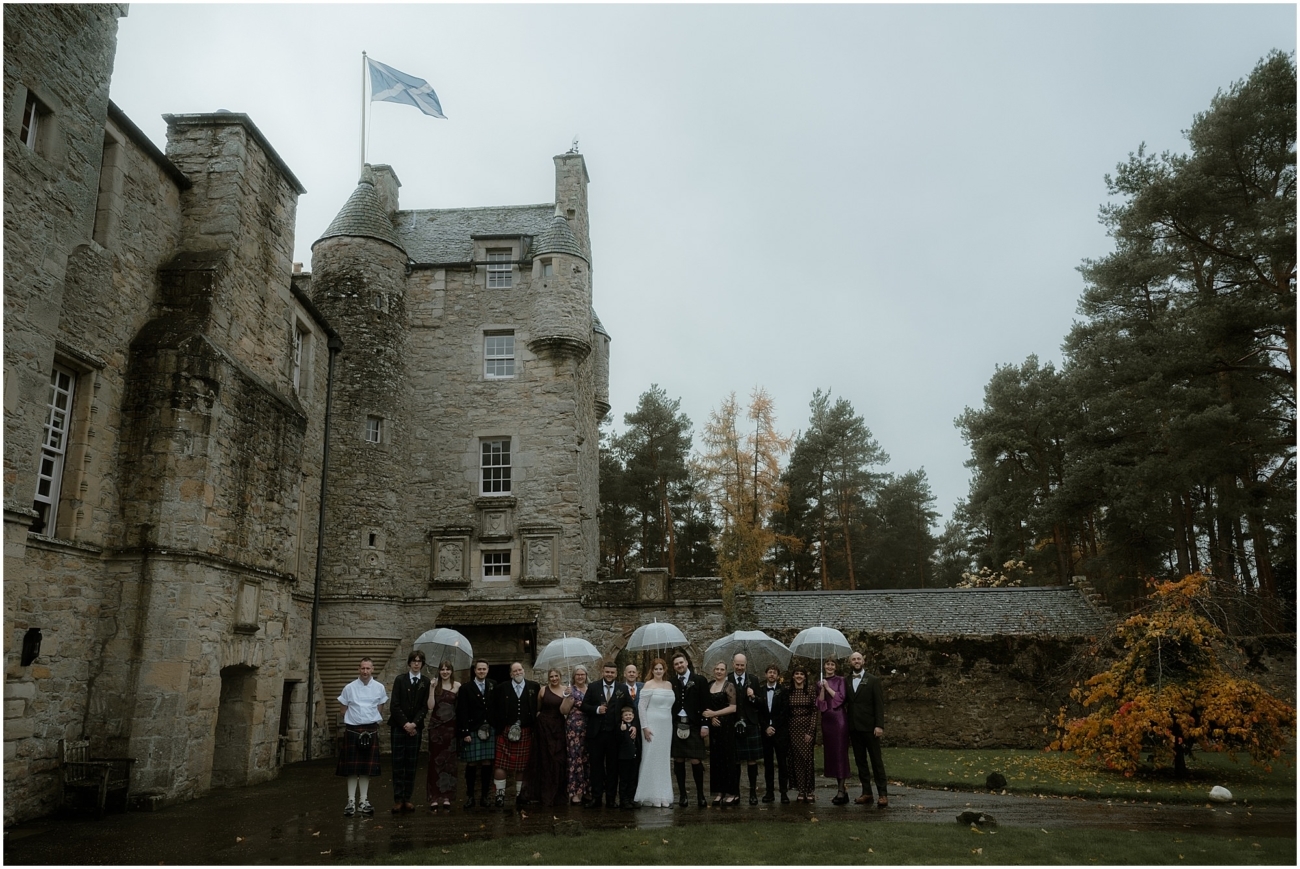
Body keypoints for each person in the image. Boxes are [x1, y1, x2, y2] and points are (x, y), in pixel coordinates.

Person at [337, 657, 388, 817]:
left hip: (370, 729)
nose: (365, 671)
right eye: (362, 668)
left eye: (368, 668)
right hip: (353, 730)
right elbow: (343, 709)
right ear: (359, 669)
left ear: (372, 669)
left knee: (366, 769)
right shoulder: (349, 688)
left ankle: (363, 801)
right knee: (352, 769)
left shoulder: (379, 688)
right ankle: (350, 801)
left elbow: (380, 708)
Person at [581, 661, 635, 808]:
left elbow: (630, 706)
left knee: (613, 768)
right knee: (596, 767)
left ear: (616, 674)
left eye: (612, 672)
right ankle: (596, 797)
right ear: (603, 672)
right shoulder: (593, 687)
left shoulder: (622, 688)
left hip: (615, 735)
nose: (609, 675)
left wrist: (629, 723)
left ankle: (611, 799)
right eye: (607, 672)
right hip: (596, 735)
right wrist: (597, 710)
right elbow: (584, 706)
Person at [488, 662, 540, 808]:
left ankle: (520, 795)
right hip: (505, 730)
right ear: (510, 674)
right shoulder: (501, 688)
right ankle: (500, 795)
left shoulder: (533, 687)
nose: (518, 672)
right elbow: (492, 709)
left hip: (526, 730)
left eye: (520, 669)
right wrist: (499, 726)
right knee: (500, 764)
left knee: (522, 766)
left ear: (524, 670)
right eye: (514, 671)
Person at [844, 650, 889, 808]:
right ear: (850, 663)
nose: (856, 661)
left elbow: (879, 704)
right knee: (860, 761)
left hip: (871, 728)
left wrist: (879, 725)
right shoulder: (846, 680)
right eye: (853, 659)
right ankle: (867, 792)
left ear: (863, 661)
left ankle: (883, 794)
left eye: (858, 659)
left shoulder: (873, 680)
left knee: (876, 761)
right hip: (854, 728)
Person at [387, 650, 430, 814]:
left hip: (415, 728)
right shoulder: (400, 680)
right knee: (398, 764)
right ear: (409, 663)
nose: (416, 663)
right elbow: (395, 705)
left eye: (419, 661)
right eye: (414, 661)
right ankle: (398, 799)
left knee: (411, 764)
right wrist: (405, 724)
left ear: (422, 664)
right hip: (399, 727)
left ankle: (408, 798)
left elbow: (424, 707)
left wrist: (414, 724)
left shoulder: (425, 682)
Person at [526, 668, 575, 807]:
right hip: (543, 728)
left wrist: (568, 697)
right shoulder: (542, 690)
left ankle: (558, 793)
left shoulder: (567, 689)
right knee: (544, 759)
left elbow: (566, 710)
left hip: (558, 727)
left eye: (556, 676)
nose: (554, 678)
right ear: (548, 678)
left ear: (560, 676)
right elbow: (538, 708)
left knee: (558, 759)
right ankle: (543, 794)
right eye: (551, 676)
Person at [633, 658, 676, 808]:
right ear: (652, 670)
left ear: (665, 670)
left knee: (663, 760)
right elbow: (641, 707)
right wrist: (645, 727)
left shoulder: (669, 685)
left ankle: (663, 794)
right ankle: (650, 794)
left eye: (661, 669)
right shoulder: (648, 685)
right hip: (652, 724)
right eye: (656, 669)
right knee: (651, 757)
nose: (658, 671)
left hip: (666, 725)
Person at [670, 651, 709, 808]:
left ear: (686, 662)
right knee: (678, 759)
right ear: (674, 667)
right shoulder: (671, 682)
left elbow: (705, 703)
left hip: (694, 725)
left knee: (695, 760)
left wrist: (705, 724)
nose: (679, 665)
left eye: (681, 662)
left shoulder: (699, 680)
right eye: (676, 664)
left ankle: (700, 795)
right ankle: (683, 795)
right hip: (677, 723)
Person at [455, 659, 495, 809]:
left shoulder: (493, 685)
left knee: (487, 763)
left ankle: (485, 796)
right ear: (474, 670)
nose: (482, 671)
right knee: (471, 763)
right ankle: (470, 796)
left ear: (488, 670)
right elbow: (462, 711)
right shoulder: (466, 688)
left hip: (489, 729)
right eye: (479, 669)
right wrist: (465, 731)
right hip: (472, 728)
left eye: (484, 669)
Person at [726, 653, 764, 804]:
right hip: (732, 723)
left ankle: (753, 793)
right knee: (735, 761)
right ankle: (735, 793)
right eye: (737, 664)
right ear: (733, 663)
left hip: (750, 723)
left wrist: (753, 696)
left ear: (746, 665)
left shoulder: (753, 679)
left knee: (751, 761)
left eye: (742, 665)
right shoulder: (727, 679)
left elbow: (760, 703)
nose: (740, 667)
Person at [425, 660, 460, 811]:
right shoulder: (434, 685)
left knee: (450, 762)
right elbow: (430, 706)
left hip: (451, 728)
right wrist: (432, 689)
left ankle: (446, 797)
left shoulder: (457, 686)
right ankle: (434, 797)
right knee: (434, 762)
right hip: (436, 728)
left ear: (452, 671)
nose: (445, 672)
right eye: (442, 669)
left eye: (447, 669)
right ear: (439, 671)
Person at [703, 660, 738, 806]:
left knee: (728, 759)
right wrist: (711, 719)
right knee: (716, 760)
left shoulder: (729, 686)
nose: (718, 671)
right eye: (716, 669)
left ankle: (732, 793)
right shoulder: (710, 685)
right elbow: (706, 709)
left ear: (725, 671)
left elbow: (733, 707)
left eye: (721, 669)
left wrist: (715, 714)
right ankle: (719, 792)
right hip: (715, 728)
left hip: (727, 727)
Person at [817, 656, 851, 805]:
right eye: (827, 664)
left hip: (839, 720)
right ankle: (842, 789)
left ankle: (841, 790)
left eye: (832, 664)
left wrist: (829, 688)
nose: (830, 667)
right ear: (824, 666)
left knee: (840, 754)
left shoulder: (841, 680)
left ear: (835, 667)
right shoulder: (820, 682)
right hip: (827, 720)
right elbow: (821, 705)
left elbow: (840, 699)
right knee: (832, 755)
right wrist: (822, 688)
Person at [756, 663, 791, 803]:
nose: (772, 675)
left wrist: (774, 726)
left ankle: (783, 793)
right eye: (769, 672)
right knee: (768, 764)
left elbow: (784, 712)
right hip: (765, 732)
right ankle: (769, 793)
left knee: (782, 763)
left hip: (780, 731)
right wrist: (766, 727)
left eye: (774, 673)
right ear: (766, 674)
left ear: (777, 676)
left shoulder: (783, 691)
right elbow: (758, 712)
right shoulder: (760, 690)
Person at [786, 664, 818, 802]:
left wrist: (810, 731)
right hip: (792, 729)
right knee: (796, 760)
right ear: (793, 676)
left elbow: (815, 712)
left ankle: (809, 790)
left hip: (806, 729)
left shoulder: (810, 690)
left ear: (805, 677)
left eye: (802, 674)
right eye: (796, 673)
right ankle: (800, 790)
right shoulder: (788, 691)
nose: (799, 676)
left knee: (807, 760)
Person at [565, 666, 592, 805]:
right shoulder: (570, 690)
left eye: (583, 674)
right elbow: (563, 710)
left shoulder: (591, 689)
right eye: (577, 674)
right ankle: (575, 792)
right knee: (575, 758)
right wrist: (567, 697)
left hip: (590, 727)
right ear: (574, 676)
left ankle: (587, 790)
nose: (580, 677)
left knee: (587, 758)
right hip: (574, 728)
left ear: (586, 675)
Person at [616, 704, 640, 809]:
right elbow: (619, 741)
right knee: (624, 779)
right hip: (624, 757)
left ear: (633, 716)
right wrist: (622, 730)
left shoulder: (635, 727)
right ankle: (623, 799)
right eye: (626, 715)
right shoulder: (620, 727)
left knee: (633, 778)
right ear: (622, 717)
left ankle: (631, 798)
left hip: (634, 757)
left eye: (630, 715)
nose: (628, 717)